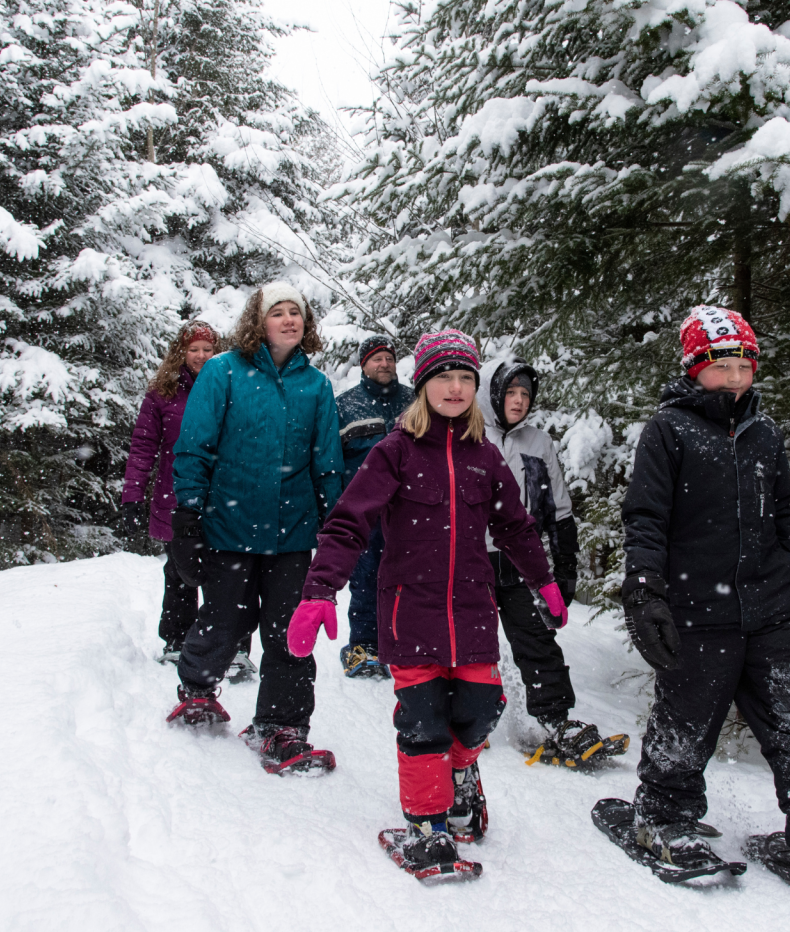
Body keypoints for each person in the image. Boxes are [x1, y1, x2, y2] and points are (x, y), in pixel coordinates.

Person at [619, 304, 790, 879]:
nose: (737, 377)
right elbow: (645, 518)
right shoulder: (669, 431)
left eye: (745, 365)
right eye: (723, 366)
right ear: (695, 368)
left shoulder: (765, 432)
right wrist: (646, 594)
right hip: (699, 610)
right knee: (687, 725)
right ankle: (664, 815)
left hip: (770, 609)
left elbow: (785, 518)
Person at [287, 329, 567, 875]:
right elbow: (348, 524)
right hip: (409, 608)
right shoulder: (394, 452)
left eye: (466, 377)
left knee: (480, 709)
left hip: (472, 609)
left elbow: (517, 527)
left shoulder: (485, 456)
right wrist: (319, 590)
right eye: (445, 377)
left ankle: (461, 773)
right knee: (423, 720)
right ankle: (426, 824)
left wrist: (545, 581)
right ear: (424, 386)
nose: (456, 387)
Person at [166, 282, 344, 777]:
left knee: (290, 632)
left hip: (293, 534)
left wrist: (336, 524)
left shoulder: (316, 385)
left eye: (297, 313)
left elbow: (326, 463)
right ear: (258, 322)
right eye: (278, 313)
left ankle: (281, 725)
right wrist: (188, 516)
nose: (289, 320)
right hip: (229, 525)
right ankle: (198, 688)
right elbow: (194, 446)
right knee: (226, 620)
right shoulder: (224, 372)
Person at [479, 356, 629, 766]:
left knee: (537, 641)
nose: (518, 400)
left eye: (525, 394)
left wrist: (563, 568)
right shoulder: (468, 434)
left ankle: (556, 719)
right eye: (510, 391)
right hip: (469, 560)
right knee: (470, 643)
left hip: (517, 560)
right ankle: (468, 719)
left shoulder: (539, 443)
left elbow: (559, 508)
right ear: (492, 394)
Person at [121, 320, 255, 678]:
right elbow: (143, 446)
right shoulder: (162, 393)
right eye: (193, 349)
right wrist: (133, 493)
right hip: (178, 494)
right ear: (180, 353)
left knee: (232, 573)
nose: (200, 356)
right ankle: (177, 641)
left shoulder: (234, 385)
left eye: (207, 349)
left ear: (217, 352)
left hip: (228, 494)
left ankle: (234, 645)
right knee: (180, 571)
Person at [334, 334, 413, 678]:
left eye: (389, 358)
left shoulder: (415, 401)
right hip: (364, 508)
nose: (384, 364)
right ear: (363, 364)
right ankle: (364, 646)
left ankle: (404, 642)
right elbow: (331, 461)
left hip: (410, 508)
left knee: (410, 578)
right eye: (376, 358)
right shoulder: (345, 406)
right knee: (366, 577)